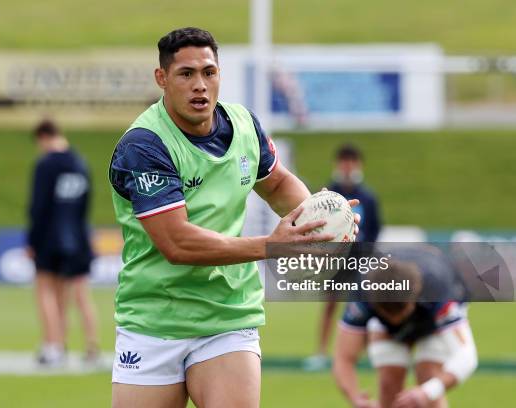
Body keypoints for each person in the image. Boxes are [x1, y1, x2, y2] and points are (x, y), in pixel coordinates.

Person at [108, 27, 359, 408]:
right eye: (186, 74)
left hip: (227, 317)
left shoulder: (243, 125)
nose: (200, 86)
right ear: (162, 79)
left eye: (209, 72)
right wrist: (272, 247)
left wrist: (319, 223)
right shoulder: (144, 146)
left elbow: (276, 184)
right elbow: (177, 243)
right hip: (153, 321)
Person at [333, 246, 477, 408]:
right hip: (389, 318)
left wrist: (427, 391)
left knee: (428, 377)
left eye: (401, 313)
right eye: (388, 314)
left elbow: (467, 356)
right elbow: (344, 358)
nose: (396, 321)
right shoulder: (362, 292)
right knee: (389, 383)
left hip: (430, 314)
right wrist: (355, 399)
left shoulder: (438, 291)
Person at [27, 119, 99, 366]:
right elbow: (86, 204)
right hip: (77, 236)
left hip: (50, 237)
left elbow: (38, 206)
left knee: (46, 290)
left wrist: (32, 240)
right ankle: (90, 344)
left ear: (43, 137)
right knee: (76, 294)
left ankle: (53, 345)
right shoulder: (80, 163)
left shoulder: (46, 164)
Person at [308, 143, 382, 368]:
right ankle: (321, 352)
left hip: (360, 260)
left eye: (352, 162)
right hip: (335, 260)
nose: (348, 166)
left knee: (367, 307)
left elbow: (375, 229)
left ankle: (369, 354)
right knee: (330, 305)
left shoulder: (368, 198)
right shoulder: (329, 194)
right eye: (344, 161)